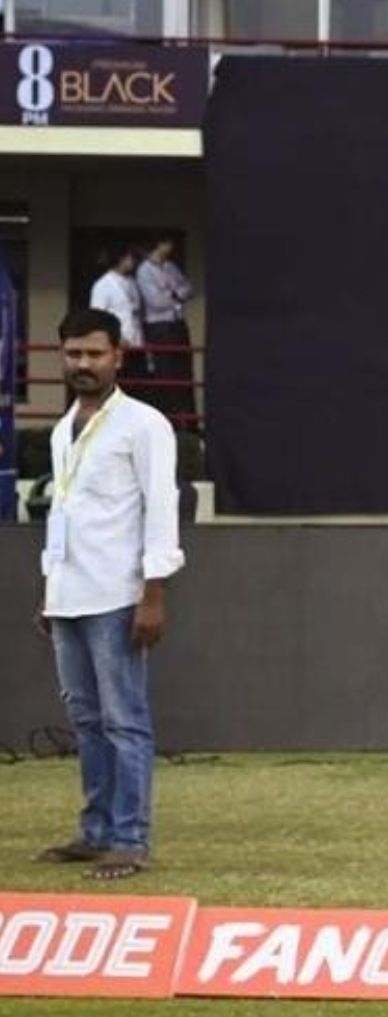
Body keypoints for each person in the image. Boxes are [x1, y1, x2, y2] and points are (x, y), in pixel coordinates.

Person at [33, 308, 184, 882]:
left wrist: (154, 591)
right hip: (69, 593)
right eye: (73, 353)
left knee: (125, 719)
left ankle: (129, 838)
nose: (83, 364)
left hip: (119, 594)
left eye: (95, 353)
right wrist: (51, 587)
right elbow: (64, 516)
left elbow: (160, 510)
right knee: (87, 720)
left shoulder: (144, 425)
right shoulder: (60, 428)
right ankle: (95, 831)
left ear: (118, 355)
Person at [135, 236, 197, 428]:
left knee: (184, 373)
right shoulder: (145, 270)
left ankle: (189, 423)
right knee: (165, 373)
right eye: (167, 243)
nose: (170, 248)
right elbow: (156, 302)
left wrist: (175, 294)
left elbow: (188, 289)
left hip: (178, 323)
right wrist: (176, 295)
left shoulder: (170, 267)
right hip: (159, 327)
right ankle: (167, 422)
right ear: (159, 244)